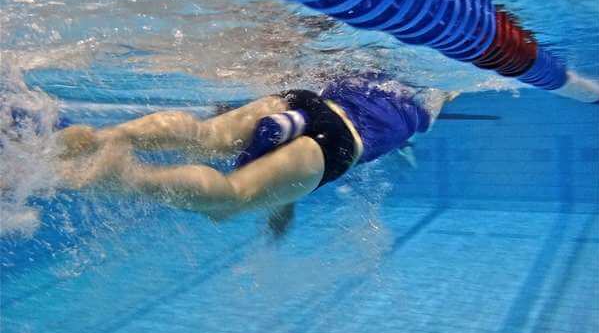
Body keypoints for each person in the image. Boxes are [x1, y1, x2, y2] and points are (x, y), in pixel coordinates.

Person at [58, 74, 457, 225]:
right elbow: (449, 86)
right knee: (230, 198)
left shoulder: (374, 67)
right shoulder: (426, 108)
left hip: (302, 101)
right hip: (339, 141)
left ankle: (106, 137)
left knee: (202, 135)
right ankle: (129, 177)